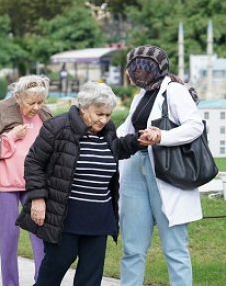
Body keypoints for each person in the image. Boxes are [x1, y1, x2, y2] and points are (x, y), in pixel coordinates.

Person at [17, 82, 142, 286]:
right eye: (98, 114)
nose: (103, 120)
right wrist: (38, 198)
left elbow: (117, 149)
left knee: (91, 277)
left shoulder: (108, 132)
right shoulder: (58, 127)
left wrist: (138, 141)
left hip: (99, 216)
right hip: (65, 215)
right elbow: (34, 162)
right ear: (84, 107)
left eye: (108, 115)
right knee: (54, 267)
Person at [116, 45, 203, 286]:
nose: (135, 73)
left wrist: (162, 136)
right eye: (133, 68)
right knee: (132, 248)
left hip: (166, 172)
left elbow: (196, 125)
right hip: (136, 169)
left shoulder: (174, 91)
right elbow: (127, 131)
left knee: (175, 248)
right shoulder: (140, 97)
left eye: (141, 68)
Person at [0, 75, 52, 286]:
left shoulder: (45, 115)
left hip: (34, 186)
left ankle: (42, 282)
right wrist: (11, 137)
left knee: (40, 235)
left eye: (40, 102)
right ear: (18, 97)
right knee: (9, 237)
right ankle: (10, 283)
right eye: (31, 102)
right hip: (5, 184)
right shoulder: (1, 110)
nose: (36, 107)